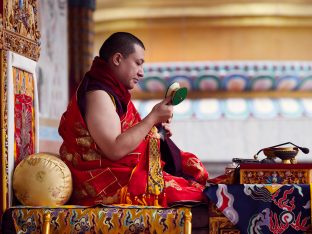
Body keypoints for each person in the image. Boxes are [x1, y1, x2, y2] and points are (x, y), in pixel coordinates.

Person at [58, 32, 209, 207]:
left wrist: (153, 129)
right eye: (138, 63)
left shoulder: (113, 92)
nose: (142, 72)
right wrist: (152, 117)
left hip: (121, 172)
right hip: (103, 182)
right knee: (191, 194)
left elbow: (125, 135)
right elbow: (114, 149)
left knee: (193, 170)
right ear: (117, 59)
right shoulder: (98, 94)